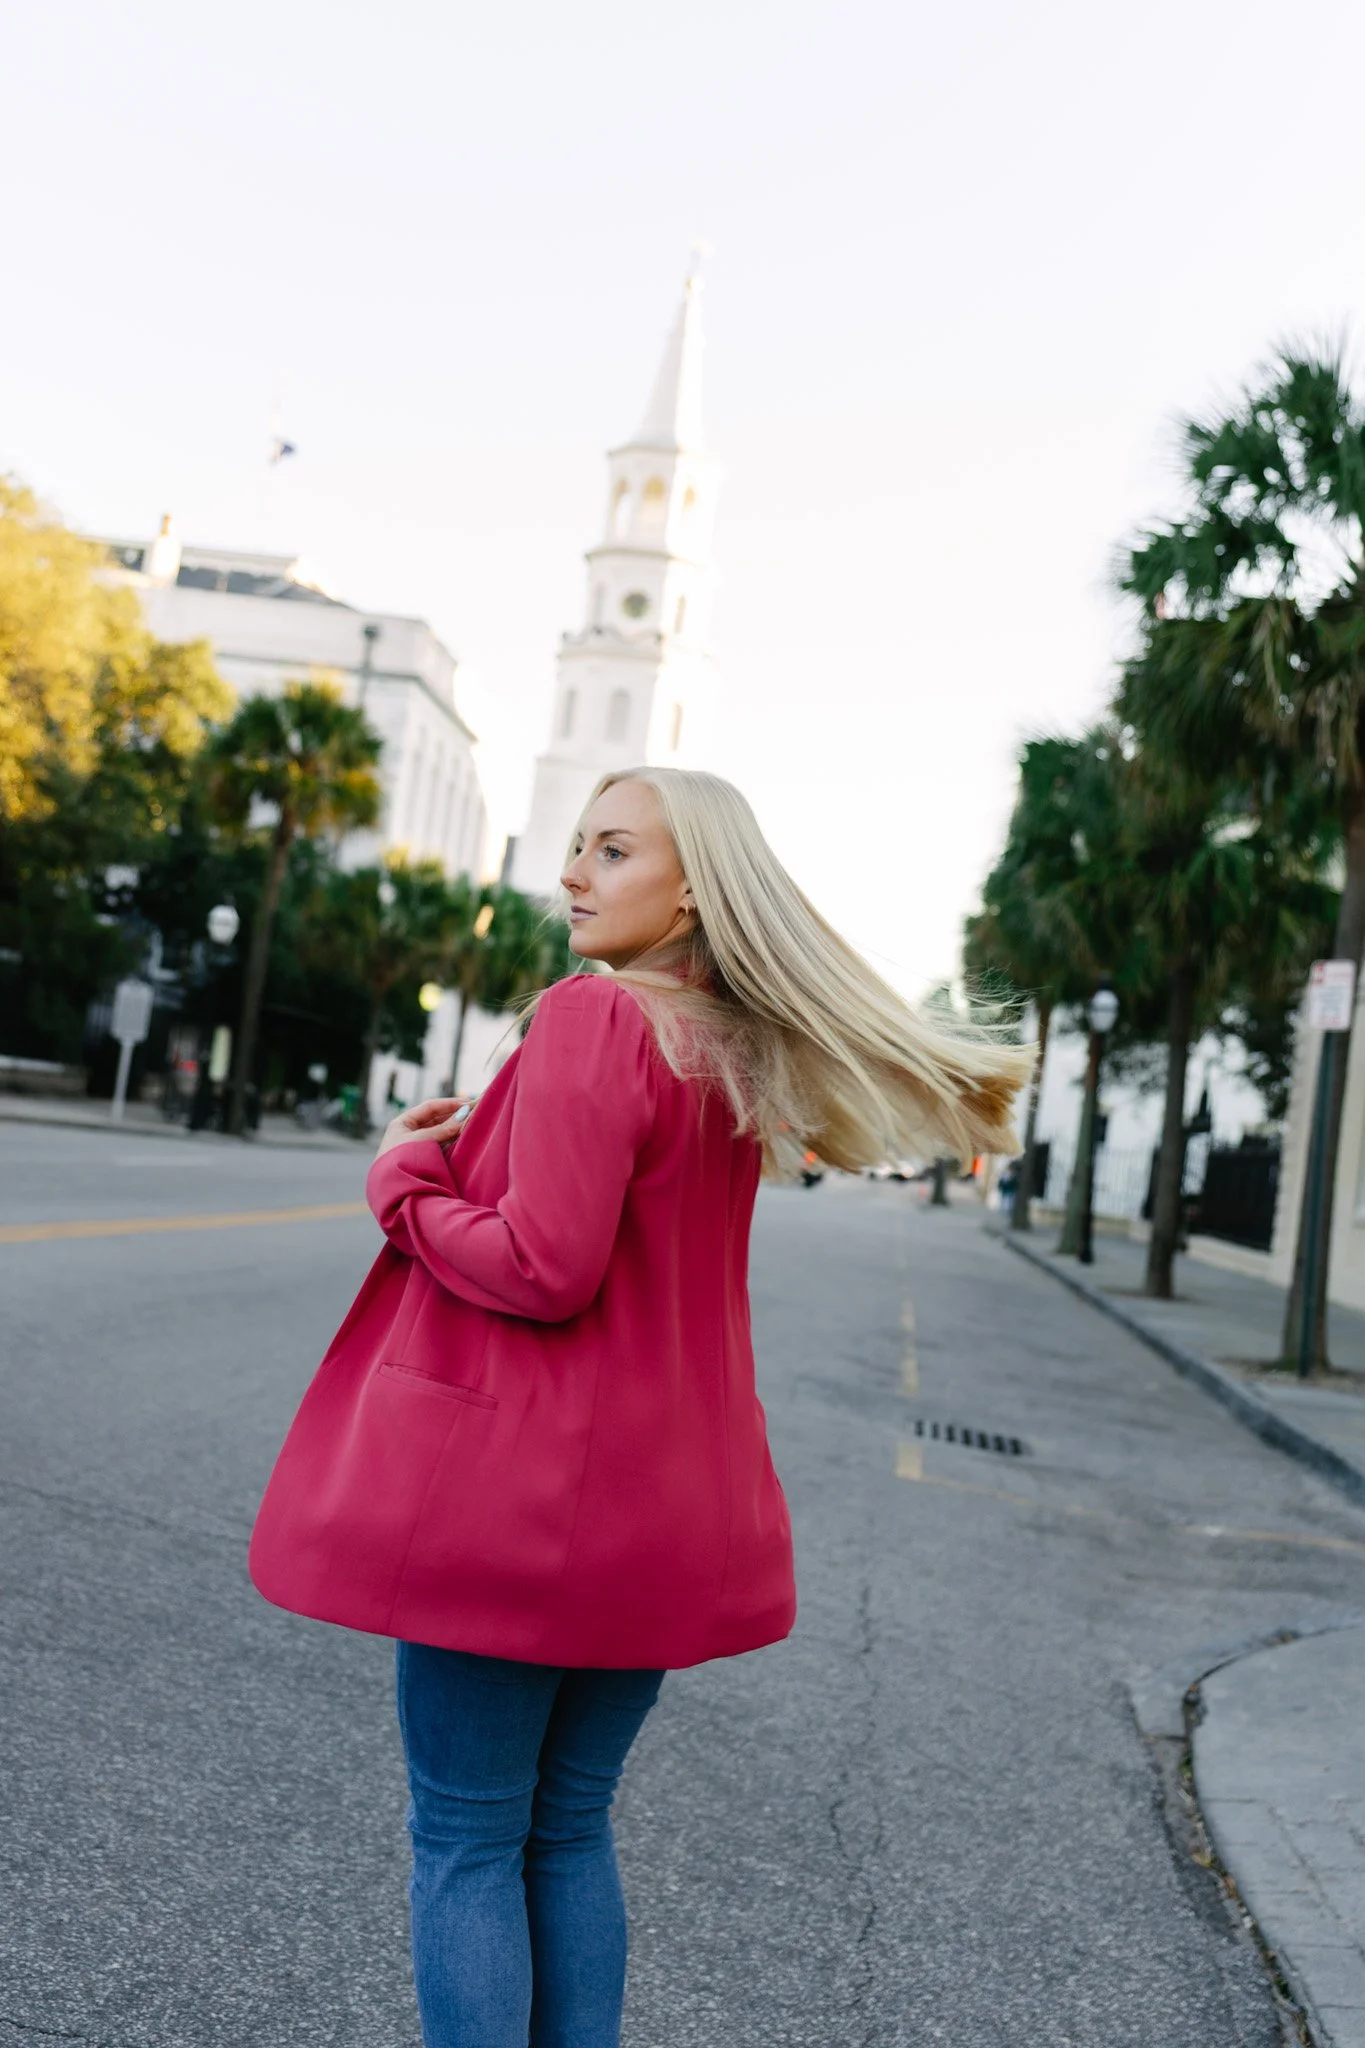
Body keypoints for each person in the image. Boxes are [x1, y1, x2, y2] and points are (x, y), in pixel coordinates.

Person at [248, 766, 1033, 2047]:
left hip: (516, 1507)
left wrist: (401, 1181)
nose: (572, 872)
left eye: (610, 851)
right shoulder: (732, 1053)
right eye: (575, 846)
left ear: (691, 894)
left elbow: (541, 1266)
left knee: (464, 1837)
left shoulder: (593, 1017)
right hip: (668, 1506)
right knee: (565, 1828)